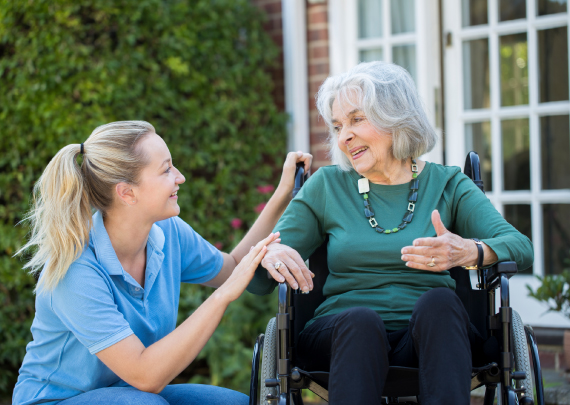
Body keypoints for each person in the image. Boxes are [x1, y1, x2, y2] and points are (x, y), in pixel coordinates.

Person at [246, 62, 534, 405]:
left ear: (396, 117)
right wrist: (271, 255)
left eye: (356, 119)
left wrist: (472, 251)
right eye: (338, 126)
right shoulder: (327, 186)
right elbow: (258, 283)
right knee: (361, 322)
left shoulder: (447, 183)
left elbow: (521, 248)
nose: (343, 137)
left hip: (431, 339)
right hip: (343, 338)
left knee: (441, 303)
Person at [13, 121, 312, 405]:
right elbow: (146, 376)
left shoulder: (168, 233)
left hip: (130, 394)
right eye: (166, 169)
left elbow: (233, 267)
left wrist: (283, 194)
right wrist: (222, 296)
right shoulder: (75, 270)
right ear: (127, 193)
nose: (180, 177)